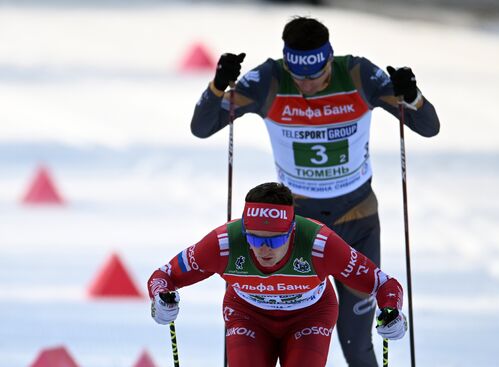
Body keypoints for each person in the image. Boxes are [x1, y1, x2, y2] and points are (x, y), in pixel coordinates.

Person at [190, 16, 439, 366]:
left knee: (355, 342)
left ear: (329, 59)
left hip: (357, 222)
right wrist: (217, 86)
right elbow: (202, 127)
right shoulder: (269, 80)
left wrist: (411, 95)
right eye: (299, 77)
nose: (307, 85)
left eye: (316, 75)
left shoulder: (358, 75)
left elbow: (429, 127)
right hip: (296, 235)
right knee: (268, 337)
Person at [148, 182, 407, 367]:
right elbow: (165, 275)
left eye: (274, 240)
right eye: (254, 238)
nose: (263, 248)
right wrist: (161, 300)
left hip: (309, 315)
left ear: (292, 230)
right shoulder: (224, 243)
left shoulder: (321, 245)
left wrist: (392, 313)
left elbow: (383, 284)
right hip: (248, 315)